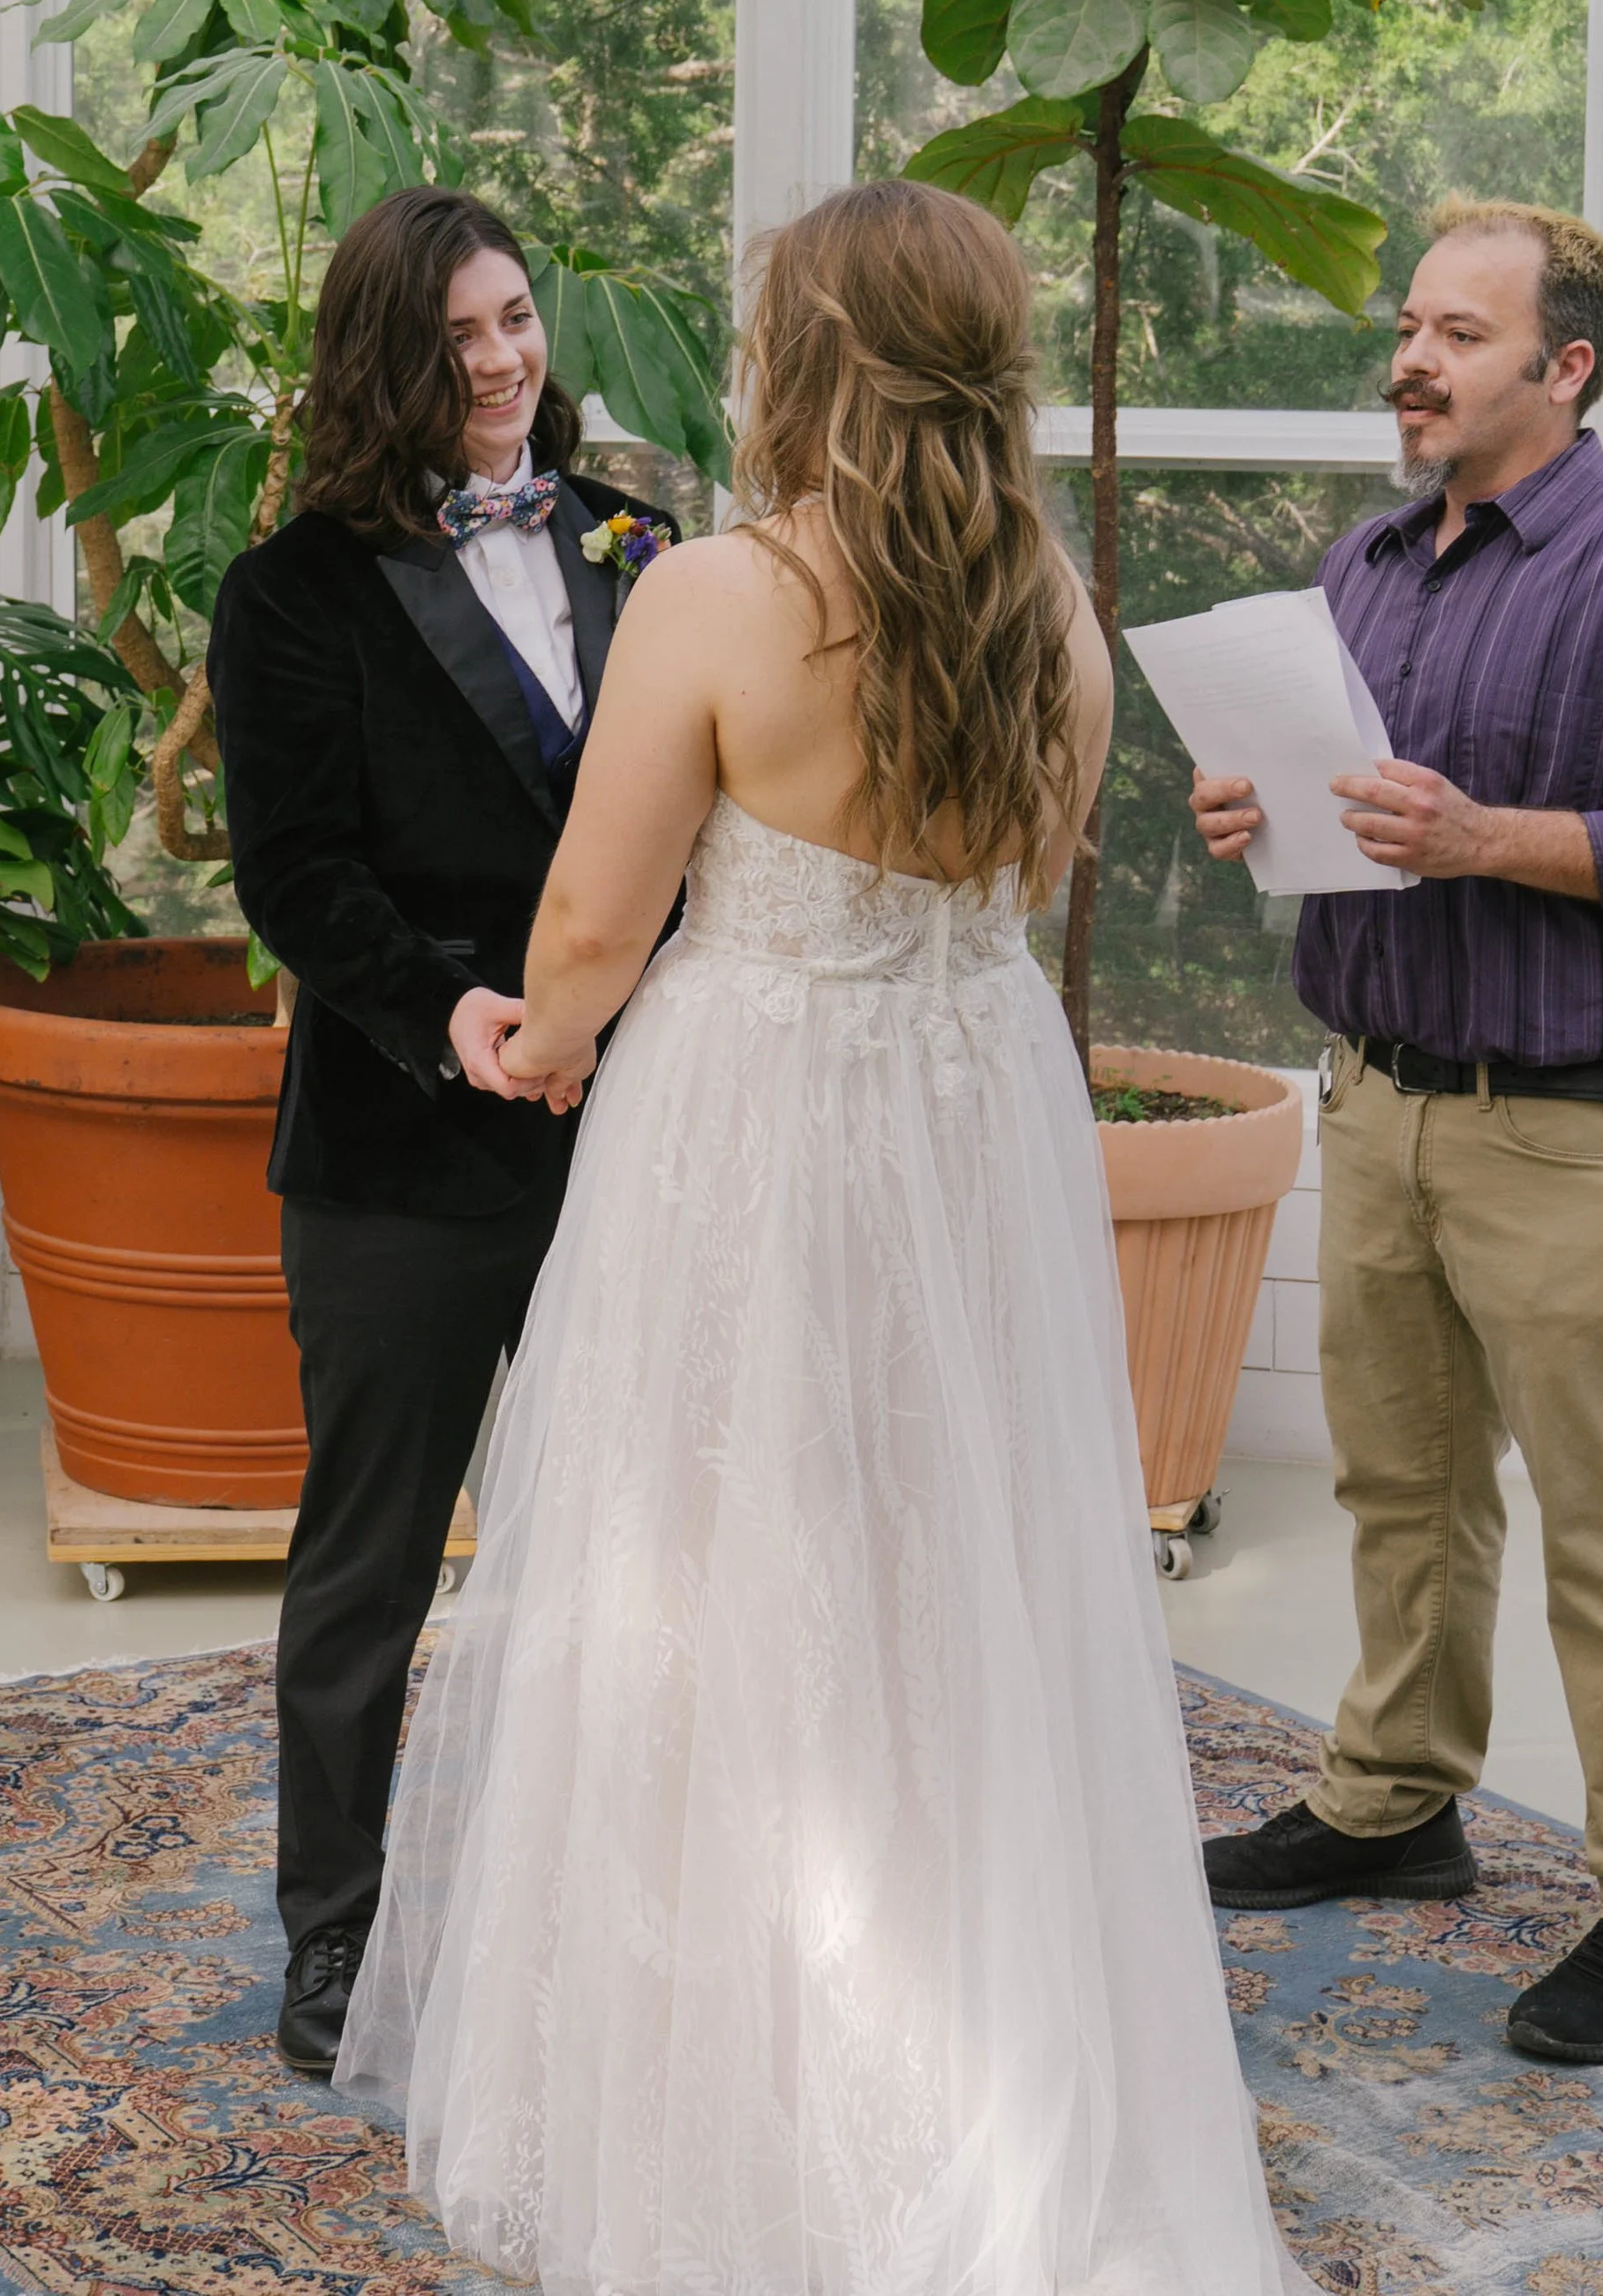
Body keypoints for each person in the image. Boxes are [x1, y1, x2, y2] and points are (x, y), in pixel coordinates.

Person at [337, 179, 1304, 2296]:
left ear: (810, 356)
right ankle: (971, 2070)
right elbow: (1024, 870)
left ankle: (743, 2125)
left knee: (715, 1576)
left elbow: (589, 923)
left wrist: (533, 1043)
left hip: (757, 1126)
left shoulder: (715, 592)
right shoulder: (1054, 608)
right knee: (949, 1572)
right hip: (971, 1117)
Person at [1189, 197, 1603, 2070]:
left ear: (1565, 364)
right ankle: (1395, 1798)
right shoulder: (1363, 565)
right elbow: (1346, 810)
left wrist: (1486, 839)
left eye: (1457, 334)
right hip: (1376, 1098)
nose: (1411, 360)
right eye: (1409, 328)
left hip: (1567, 1127)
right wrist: (1255, 810)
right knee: (1403, 1488)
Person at [208, 185, 679, 2080]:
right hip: (402, 1150)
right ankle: (335, 1928)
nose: (499, 362)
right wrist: (451, 1016)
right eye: (456, 335)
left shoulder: (646, 548)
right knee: (370, 1563)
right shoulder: (288, 593)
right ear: (380, 361)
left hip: (634, 1129)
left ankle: (617, 1908)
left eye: (514, 319)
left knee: (633, 1544)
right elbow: (295, 874)